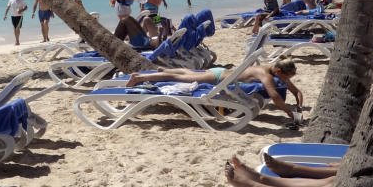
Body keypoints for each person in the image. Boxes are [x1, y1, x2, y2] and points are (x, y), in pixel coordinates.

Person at [126, 59, 302, 115]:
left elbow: (297, 91)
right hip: (218, 77)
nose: (285, 81)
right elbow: (275, 96)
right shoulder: (265, 75)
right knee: (177, 77)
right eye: (285, 77)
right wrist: (289, 113)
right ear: (278, 71)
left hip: (221, 72)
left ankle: (164, 69)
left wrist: (299, 106)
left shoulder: (270, 68)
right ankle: (140, 77)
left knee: (187, 73)